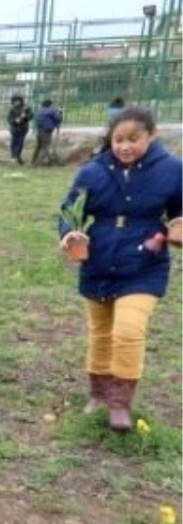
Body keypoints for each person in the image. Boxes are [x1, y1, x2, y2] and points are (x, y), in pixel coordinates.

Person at [57, 107, 183, 432]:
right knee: (100, 333)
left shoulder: (171, 170)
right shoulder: (93, 172)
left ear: (151, 136)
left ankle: (120, 403)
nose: (125, 146)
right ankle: (98, 394)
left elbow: (180, 211)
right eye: (119, 140)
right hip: (99, 260)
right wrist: (70, 233)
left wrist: (178, 226)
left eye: (133, 139)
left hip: (144, 264)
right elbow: (70, 210)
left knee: (128, 331)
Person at [33, 99, 64, 167]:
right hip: (46, 131)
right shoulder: (51, 111)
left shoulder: (39, 111)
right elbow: (58, 119)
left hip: (39, 130)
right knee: (46, 146)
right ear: (50, 105)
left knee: (39, 146)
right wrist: (60, 112)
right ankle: (40, 163)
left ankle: (34, 160)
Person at [7, 95, 34, 165]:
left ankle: (17, 156)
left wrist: (25, 117)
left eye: (17, 101)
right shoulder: (12, 109)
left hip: (23, 129)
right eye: (14, 101)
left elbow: (31, 115)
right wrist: (15, 121)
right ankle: (13, 157)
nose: (16, 102)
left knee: (20, 143)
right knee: (13, 143)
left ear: (20, 101)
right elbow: (9, 119)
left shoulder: (26, 108)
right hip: (14, 129)